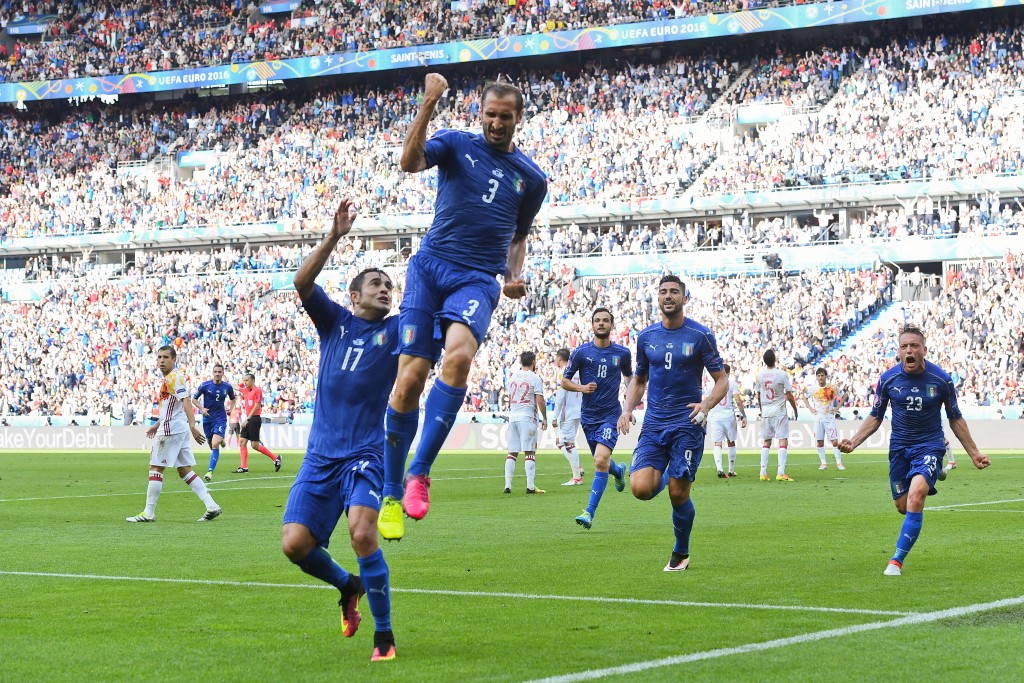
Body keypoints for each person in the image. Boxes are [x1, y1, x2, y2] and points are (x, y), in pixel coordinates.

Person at [378, 74, 548, 541]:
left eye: (505, 116)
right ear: (481, 114)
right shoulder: (454, 144)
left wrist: (513, 276)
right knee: (409, 381)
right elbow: (409, 161)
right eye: (490, 114)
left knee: (457, 358)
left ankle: (420, 473)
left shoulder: (531, 179)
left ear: (518, 118)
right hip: (430, 268)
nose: (496, 123)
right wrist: (429, 101)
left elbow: (518, 236)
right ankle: (391, 493)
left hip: (477, 278)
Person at [282, 198, 399, 661]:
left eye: (389, 284)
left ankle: (384, 635)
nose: (385, 288)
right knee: (294, 545)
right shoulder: (334, 322)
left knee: (362, 534)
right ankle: (348, 585)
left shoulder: (398, 330)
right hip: (320, 457)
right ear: (354, 295)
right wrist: (334, 236)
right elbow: (301, 282)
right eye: (375, 283)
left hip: (365, 455)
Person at [839, 324, 990, 576]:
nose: (909, 350)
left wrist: (973, 452)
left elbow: (955, 417)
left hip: (930, 445)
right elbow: (876, 416)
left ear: (924, 350)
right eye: (904, 346)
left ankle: (896, 561)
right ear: (899, 352)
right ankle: (934, 475)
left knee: (916, 497)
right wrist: (854, 441)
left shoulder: (941, 380)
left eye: (914, 346)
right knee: (902, 506)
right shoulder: (887, 380)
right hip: (900, 448)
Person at [618, 275, 728, 571]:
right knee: (640, 489)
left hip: (687, 423)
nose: (668, 296)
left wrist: (706, 404)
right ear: (658, 298)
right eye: (663, 291)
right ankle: (669, 474)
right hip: (654, 423)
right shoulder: (645, 337)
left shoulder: (700, 335)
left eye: (674, 292)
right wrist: (627, 409)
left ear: (684, 298)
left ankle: (681, 552)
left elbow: (722, 380)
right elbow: (639, 380)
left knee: (678, 495)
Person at [126, 345, 221, 523]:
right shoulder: (169, 378)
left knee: (155, 467)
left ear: (173, 359)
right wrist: (156, 425)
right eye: (159, 357)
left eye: (165, 357)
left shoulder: (174, 377)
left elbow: (185, 401)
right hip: (176, 427)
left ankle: (148, 513)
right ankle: (211, 505)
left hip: (171, 429)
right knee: (184, 470)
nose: (161, 361)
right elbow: (171, 408)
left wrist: (193, 426)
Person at [562, 308, 633, 530]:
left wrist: (627, 410)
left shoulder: (622, 353)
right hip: (588, 416)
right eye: (597, 320)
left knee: (600, 460)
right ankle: (618, 471)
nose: (601, 324)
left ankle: (589, 512)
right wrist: (581, 387)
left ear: (612, 325)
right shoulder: (581, 353)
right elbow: (564, 381)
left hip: (611, 414)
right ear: (591, 324)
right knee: (602, 461)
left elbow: (631, 379)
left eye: (605, 321)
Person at [503, 351, 548, 494]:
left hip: (513, 417)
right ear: (533, 362)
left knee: (512, 453)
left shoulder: (512, 377)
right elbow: (540, 400)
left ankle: (508, 485)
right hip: (527, 417)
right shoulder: (535, 378)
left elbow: (510, 398)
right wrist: (545, 417)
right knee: (530, 452)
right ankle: (530, 486)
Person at [754, 349, 798, 482]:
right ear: (775, 359)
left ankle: (763, 473)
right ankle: (780, 472)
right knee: (782, 440)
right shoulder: (782, 374)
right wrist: (795, 409)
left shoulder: (760, 375)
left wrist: (762, 409)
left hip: (766, 411)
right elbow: (789, 395)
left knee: (766, 441)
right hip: (779, 411)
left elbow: (758, 395)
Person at [193, 363, 236, 482]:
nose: (217, 374)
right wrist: (201, 409)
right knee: (212, 445)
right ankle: (221, 440)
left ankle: (210, 471)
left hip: (220, 418)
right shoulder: (205, 385)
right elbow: (194, 399)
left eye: (219, 372)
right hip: (207, 419)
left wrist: (230, 409)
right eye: (215, 372)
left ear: (223, 373)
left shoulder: (227, 387)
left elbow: (233, 399)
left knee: (215, 443)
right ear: (213, 373)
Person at [705, 364, 747, 478]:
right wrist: (744, 415)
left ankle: (719, 468)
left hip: (715, 417)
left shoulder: (710, 385)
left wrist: (704, 417)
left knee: (717, 443)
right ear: (727, 373)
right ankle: (731, 470)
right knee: (731, 442)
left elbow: (706, 401)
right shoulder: (731, 383)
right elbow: (738, 400)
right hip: (728, 416)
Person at [235, 373, 281, 473]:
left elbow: (257, 406)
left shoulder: (258, 391)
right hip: (248, 418)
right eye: (244, 380)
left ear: (252, 380)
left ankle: (276, 458)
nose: (245, 382)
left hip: (254, 419)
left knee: (254, 445)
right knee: (242, 442)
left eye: (247, 380)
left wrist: (247, 419)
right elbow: (235, 387)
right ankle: (244, 467)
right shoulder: (245, 390)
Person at [802, 367, 845, 471]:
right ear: (816, 377)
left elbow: (844, 395)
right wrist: (811, 409)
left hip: (830, 418)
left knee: (834, 441)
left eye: (822, 375)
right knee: (819, 442)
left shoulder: (832, 387)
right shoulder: (813, 388)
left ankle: (839, 463)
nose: (820, 377)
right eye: (818, 375)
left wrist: (837, 408)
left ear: (826, 376)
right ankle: (823, 463)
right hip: (818, 419)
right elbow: (804, 397)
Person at [552, 348, 584, 486]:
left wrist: (555, 416)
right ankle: (578, 467)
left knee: (568, 443)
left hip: (568, 412)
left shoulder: (563, 372)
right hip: (579, 410)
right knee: (560, 441)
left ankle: (577, 477)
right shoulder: (578, 372)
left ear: (559, 359)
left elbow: (561, 395)